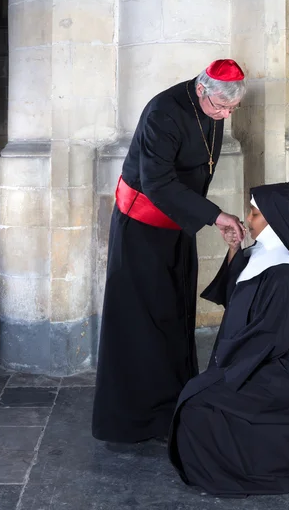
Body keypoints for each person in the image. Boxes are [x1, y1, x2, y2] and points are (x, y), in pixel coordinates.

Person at [168, 182, 289, 497]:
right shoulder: (262, 253)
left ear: (276, 221)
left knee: (200, 406)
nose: (248, 219)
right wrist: (234, 248)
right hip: (266, 357)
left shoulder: (285, 274)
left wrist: (228, 367)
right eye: (250, 211)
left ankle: (233, 468)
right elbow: (235, 293)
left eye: (255, 213)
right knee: (198, 395)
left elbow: (274, 338)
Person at [92, 59, 247, 445]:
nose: (225, 116)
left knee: (174, 314)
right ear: (201, 89)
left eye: (231, 110)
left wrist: (204, 216)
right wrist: (215, 216)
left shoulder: (213, 105)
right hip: (141, 230)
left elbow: (200, 167)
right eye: (221, 108)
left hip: (177, 225)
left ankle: (173, 402)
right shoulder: (164, 111)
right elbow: (157, 183)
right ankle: (135, 419)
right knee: (142, 323)